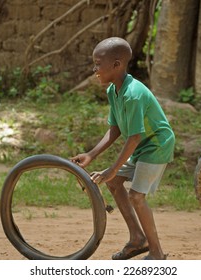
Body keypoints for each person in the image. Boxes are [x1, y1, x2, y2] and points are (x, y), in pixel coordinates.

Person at [71, 37, 175, 260]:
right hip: (142, 146)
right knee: (115, 183)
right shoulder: (113, 91)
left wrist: (112, 168)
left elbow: (135, 137)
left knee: (137, 196)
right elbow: (115, 129)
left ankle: (157, 251)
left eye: (98, 64)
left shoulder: (133, 94)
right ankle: (138, 239)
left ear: (117, 65)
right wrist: (91, 154)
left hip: (156, 145)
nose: (94, 69)